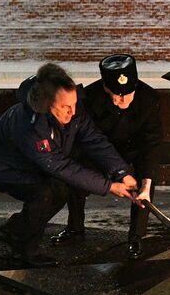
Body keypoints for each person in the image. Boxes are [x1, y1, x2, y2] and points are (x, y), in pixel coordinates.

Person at [0, 62, 137, 267]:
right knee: (44, 193)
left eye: (74, 104)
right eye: (65, 107)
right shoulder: (30, 125)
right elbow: (59, 166)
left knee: (60, 191)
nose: (72, 112)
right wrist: (109, 186)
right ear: (46, 103)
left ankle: (13, 231)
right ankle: (24, 250)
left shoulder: (72, 108)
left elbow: (95, 141)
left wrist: (121, 173)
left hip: (24, 162)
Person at [58, 54, 162, 258]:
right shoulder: (89, 97)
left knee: (145, 181)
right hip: (98, 152)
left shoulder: (149, 98)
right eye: (114, 94)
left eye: (126, 94)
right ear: (105, 86)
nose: (120, 101)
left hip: (134, 151)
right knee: (76, 173)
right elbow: (85, 138)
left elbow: (152, 142)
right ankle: (75, 228)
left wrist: (147, 184)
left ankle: (136, 237)